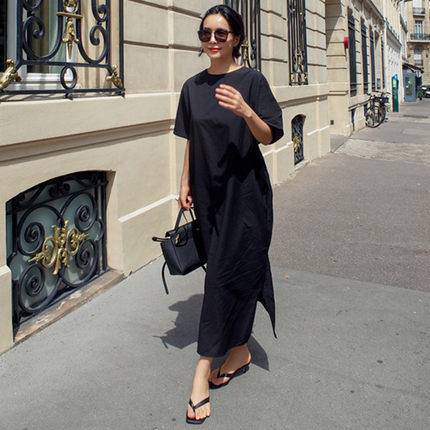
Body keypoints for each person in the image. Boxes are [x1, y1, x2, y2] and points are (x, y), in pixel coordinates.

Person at [173, 4, 284, 425]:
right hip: (208, 195)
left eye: (221, 34)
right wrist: (184, 181)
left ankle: (201, 370)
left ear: (236, 38)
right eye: (206, 34)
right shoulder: (192, 87)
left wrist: (246, 111)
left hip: (245, 196)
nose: (213, 41)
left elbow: (269, 135)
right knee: (234, 269)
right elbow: (191, 137)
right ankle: (239, 351)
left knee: (221, 274)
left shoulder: (251, 81)